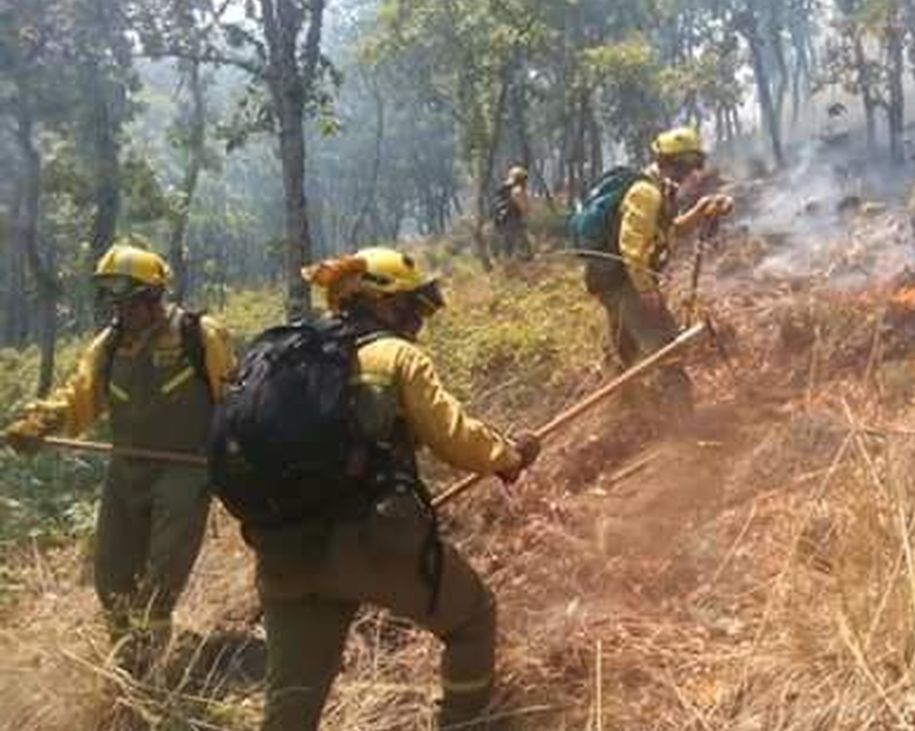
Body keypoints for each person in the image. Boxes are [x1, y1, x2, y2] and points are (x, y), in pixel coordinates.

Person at [246, 246, 540, 730]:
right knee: (472, 620)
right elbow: (455, 436)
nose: (415, 322)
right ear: (379, 302)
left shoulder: (286, 358)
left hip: (285, 547)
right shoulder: (394, 355)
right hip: (371, 536)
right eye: (410, 307)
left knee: (292, 700)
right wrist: (508, 457)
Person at [2, 240, 235, 673]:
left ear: (153, 297)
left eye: (129, 303)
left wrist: (234, 457)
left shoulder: (198, 335)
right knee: (111, 578)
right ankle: (129, 665)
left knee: (161, 578)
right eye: (114, 304)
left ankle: (156, 677)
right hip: (126, 470)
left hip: (186, 470)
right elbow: (80, 397)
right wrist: (41, 424)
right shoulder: (108, 346)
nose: (121, 314)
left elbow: (233, 400)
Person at [584, 127, 733, 414]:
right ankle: (684, 430)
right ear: (674, 163)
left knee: (626, 353)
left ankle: (633, 416)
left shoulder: (659, 190)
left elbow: (669, 232)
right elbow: (632, 248)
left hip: (615, 283)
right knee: (668, 352)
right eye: (689, 166)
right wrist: (647, 292)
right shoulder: (645, 193)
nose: (693, 173)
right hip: (627, 284)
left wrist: (701, 210)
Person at [491, 165, 533, 261]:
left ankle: (508, 269)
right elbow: (524, 207)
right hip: (513, 222)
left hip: (502, 222)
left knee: (508, 250)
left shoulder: (504, 189)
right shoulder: (517, 190)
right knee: (525, 252)